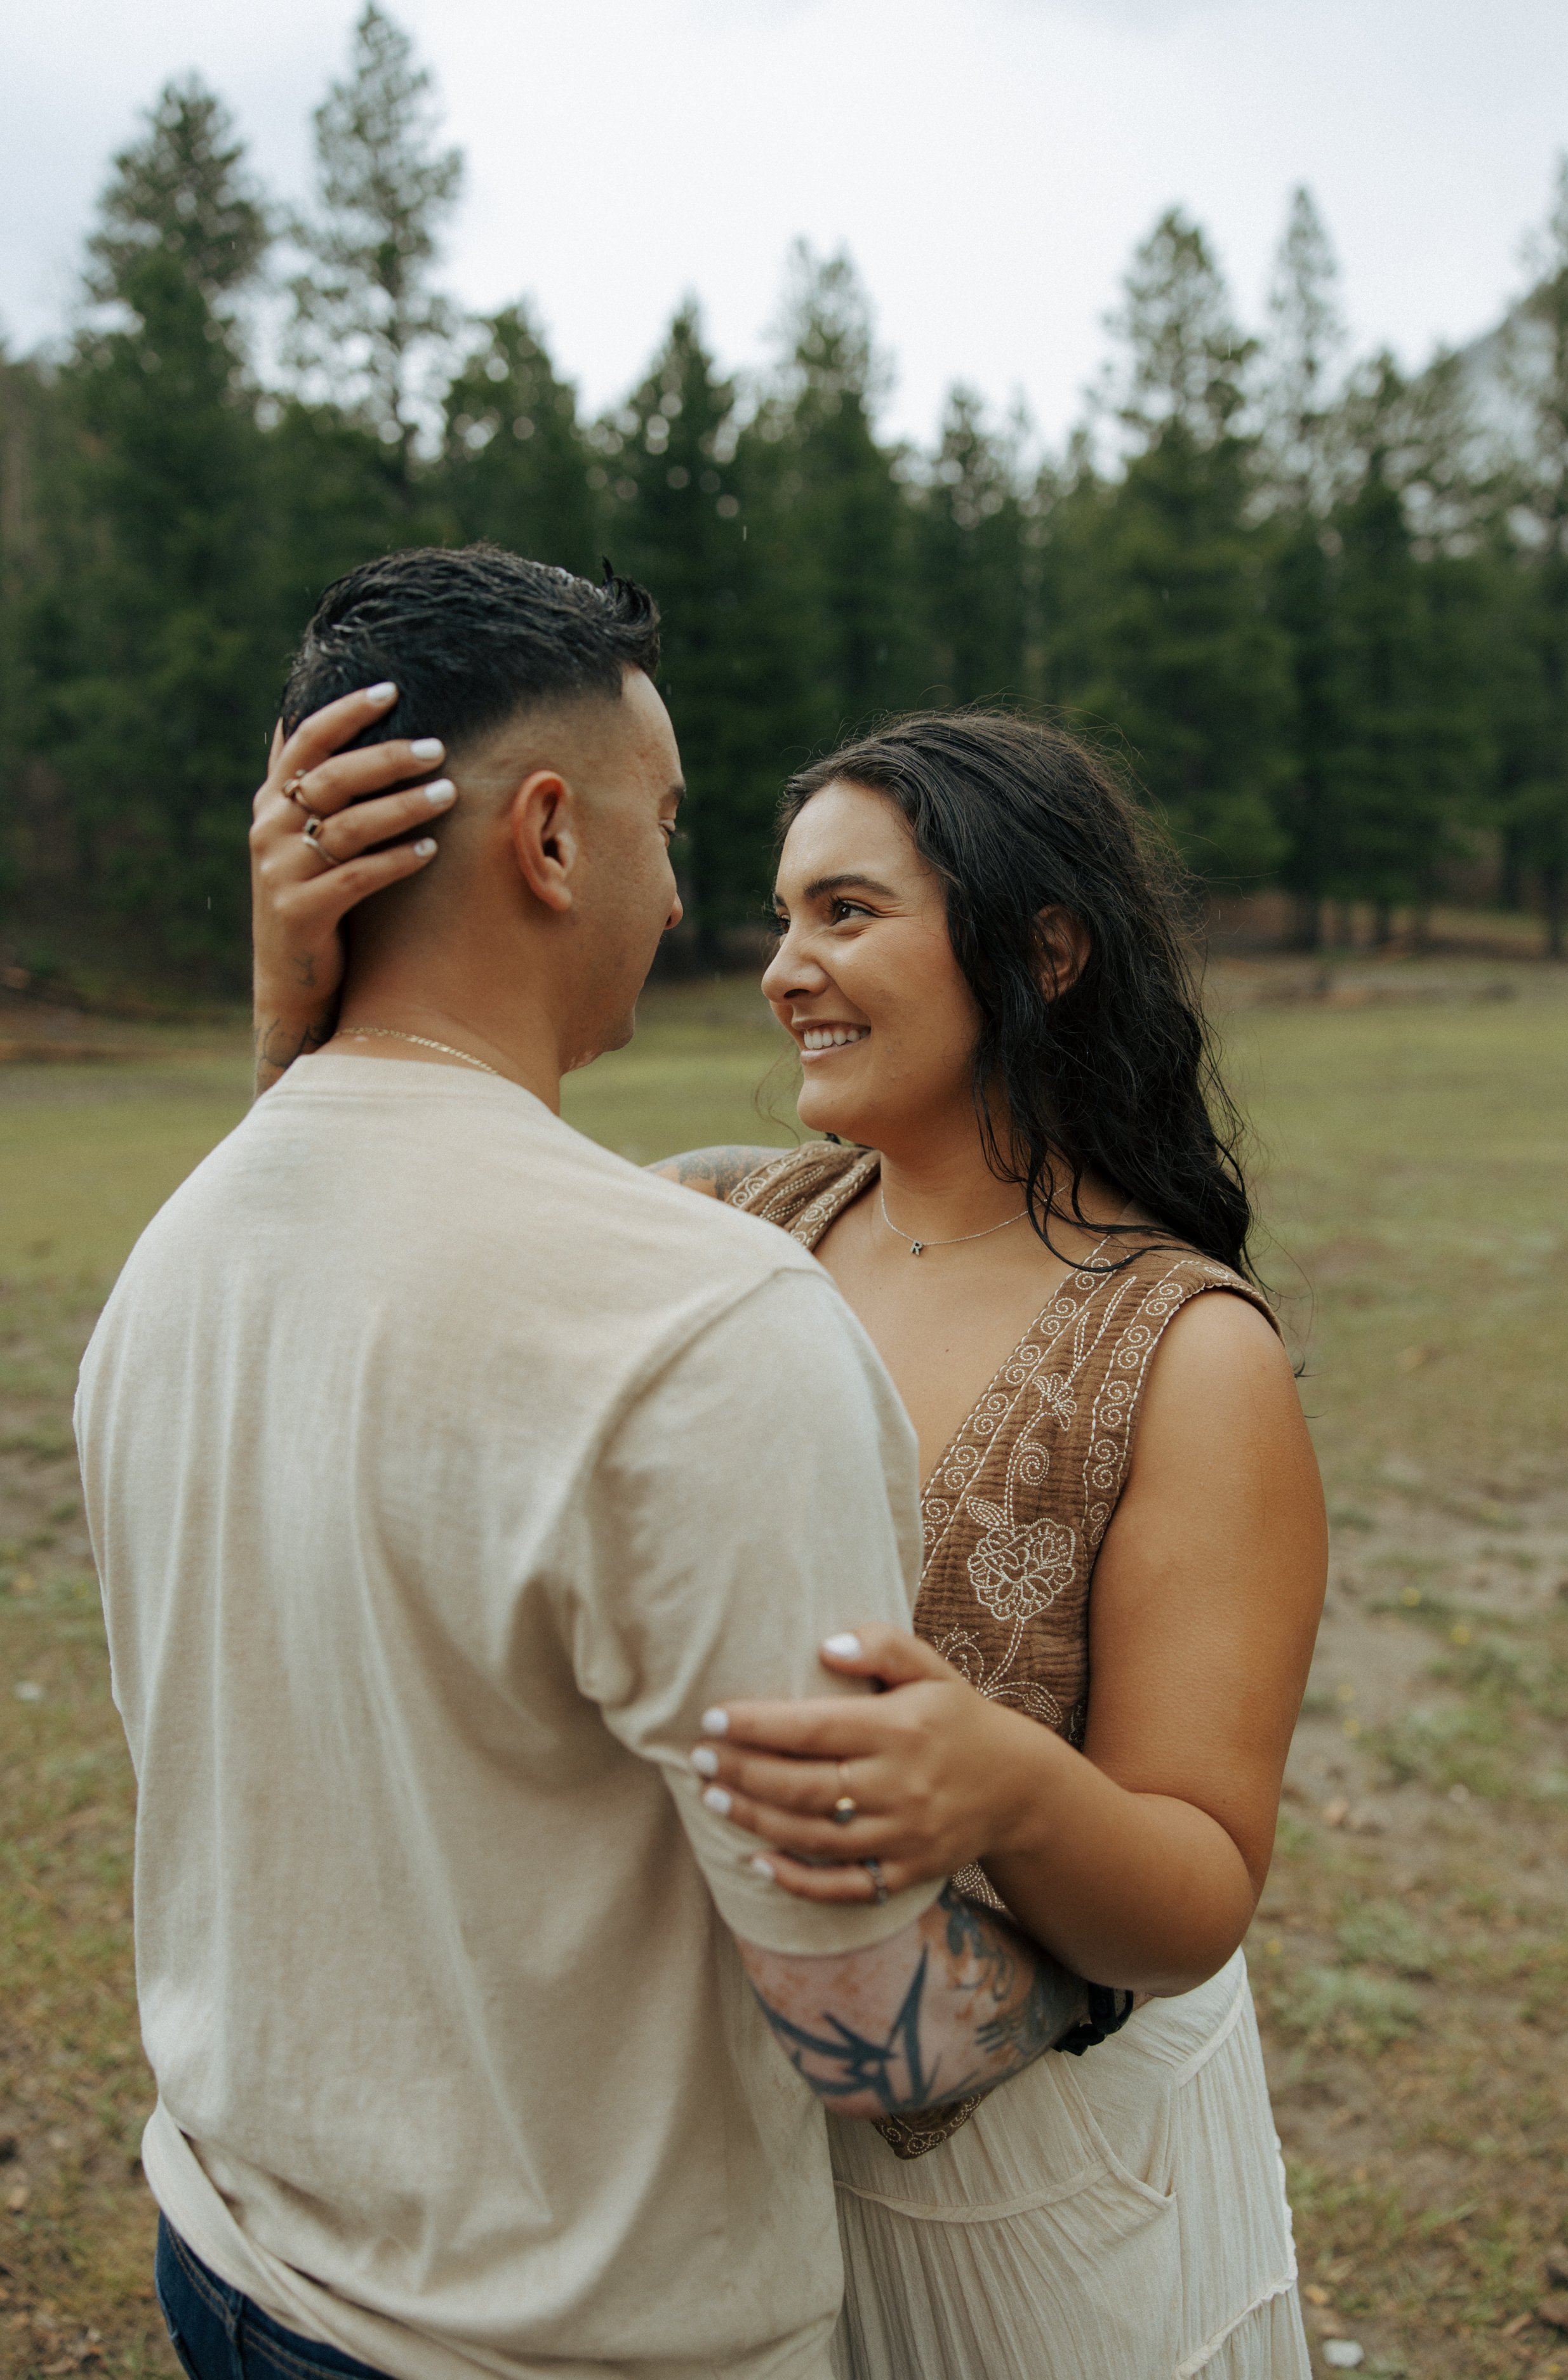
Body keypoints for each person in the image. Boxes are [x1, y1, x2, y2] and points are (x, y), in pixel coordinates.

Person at [78, 548, 1106, 2380]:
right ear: (549, 838)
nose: (681, 892)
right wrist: (1114, 1956)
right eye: (669, 825)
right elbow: (871, 2027)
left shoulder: (181, 1254)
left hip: (229, 2255)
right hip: (556, 2340)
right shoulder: (708, 1330)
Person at [253, 681, 1328, 2379]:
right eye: (778, 914)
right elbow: (384, 1261)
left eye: (847, 912)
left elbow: (1196, 1888)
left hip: (1036, 2207)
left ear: (1043, 953)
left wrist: (1006, 1780)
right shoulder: (711, 1219)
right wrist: (302, 1003)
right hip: (719, 2173)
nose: (780, 968)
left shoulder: (1188, 1360)